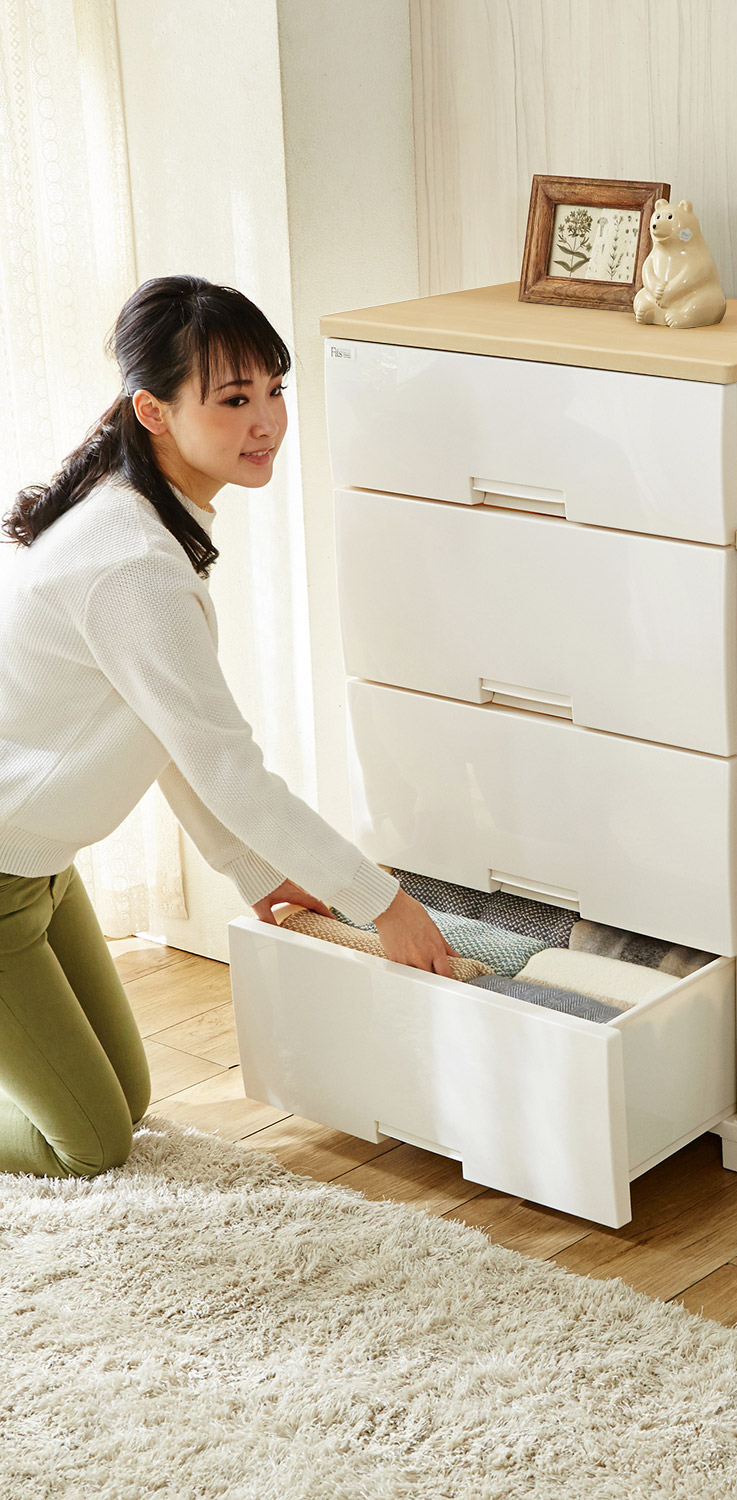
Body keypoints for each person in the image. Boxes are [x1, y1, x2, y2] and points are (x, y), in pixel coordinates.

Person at [0, 274, 456, 1179]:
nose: (267, 422)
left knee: (126, 1102)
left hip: (40, 869)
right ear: (154, 412)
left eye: (274, 390)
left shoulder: (140, 518)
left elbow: (167, 736)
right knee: (88, 1144)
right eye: (234, 399)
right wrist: (385, 904)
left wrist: (253, 869)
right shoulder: (133, 561)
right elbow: (226, 767)